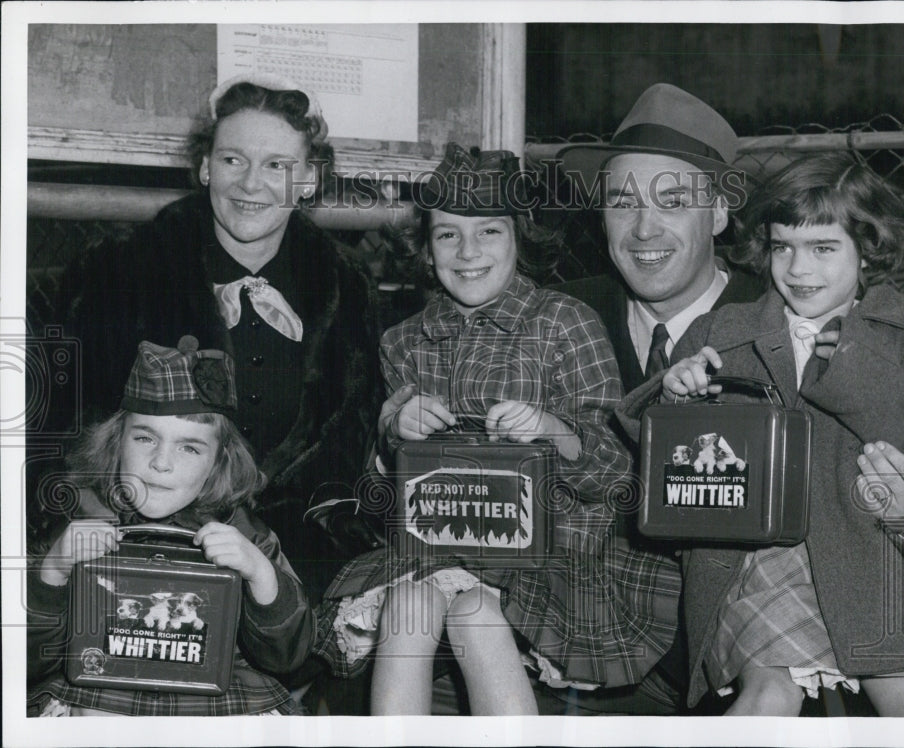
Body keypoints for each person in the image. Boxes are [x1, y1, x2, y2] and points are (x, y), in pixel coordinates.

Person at [554, 83, 904, 716]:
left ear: (718, 216)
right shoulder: (561, 317)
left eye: (674, 199)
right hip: (601, 627)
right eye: (621, 200)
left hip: (851, 568)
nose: (643, 226)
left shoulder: (881, 331)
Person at [311, 143, 683, 715]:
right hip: (439, 545)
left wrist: (551, 427)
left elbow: (617, 474)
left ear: (520, 239)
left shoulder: (563, 323)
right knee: (408, 611)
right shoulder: (403, 340)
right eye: (447, 235)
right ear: (425, 247)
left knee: (474, 614)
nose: (467, 253)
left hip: (553, 553)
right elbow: (384, 497)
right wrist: (392, 434)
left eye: (489, 232)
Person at [42, 74, 383, 602]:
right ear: (205, 167)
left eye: (277, 165)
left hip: (298, 574)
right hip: (138, 563)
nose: (251, 184)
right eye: (232, 160)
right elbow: (69, 437)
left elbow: (349, 459)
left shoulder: (349, 291)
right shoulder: (118, 270)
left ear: (310, 180)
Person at [27, 336, 314, 716]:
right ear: (115, 441)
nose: (161, 462)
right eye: (145, 437)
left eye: (189, 447)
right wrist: (52, 572)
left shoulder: (245, 534)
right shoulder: (79, 522)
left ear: (219, 462)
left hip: (215, 700)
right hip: (100, 691)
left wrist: (262, 575)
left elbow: (289, 657)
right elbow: (26, 660)